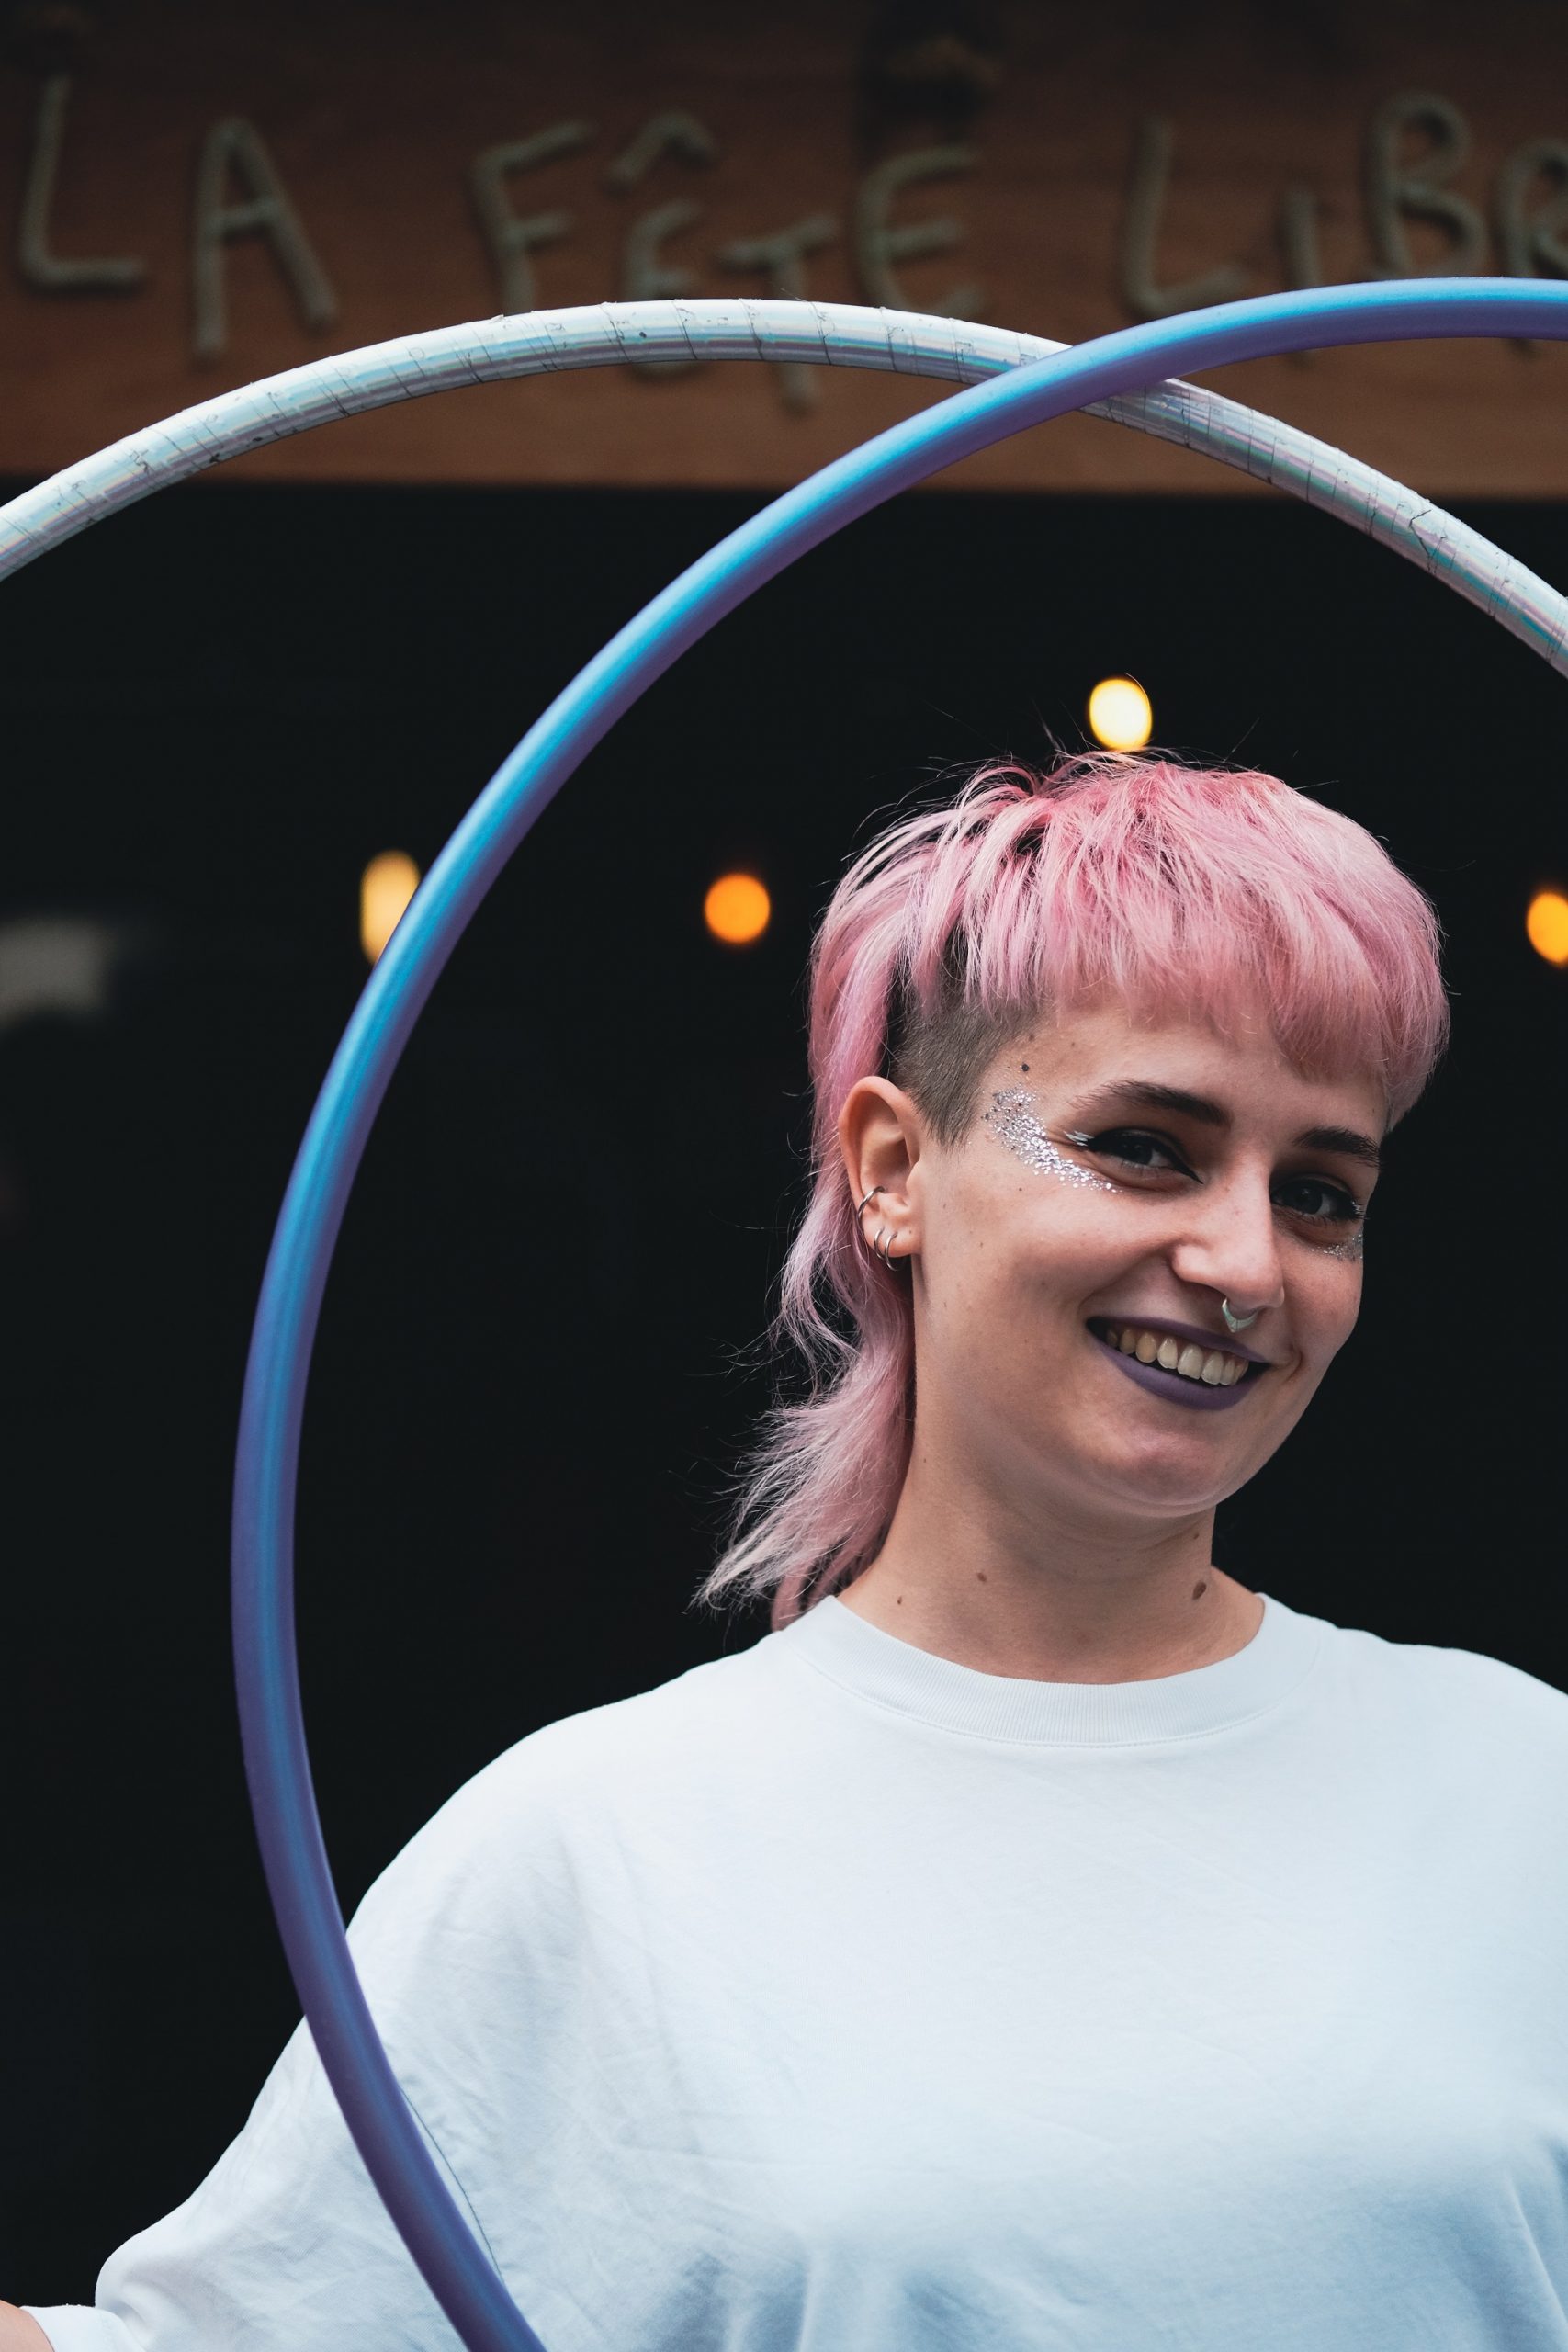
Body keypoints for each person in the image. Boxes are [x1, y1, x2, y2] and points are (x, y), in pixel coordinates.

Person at [11, 749, 1568, 2351]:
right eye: (1146, 1147)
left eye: (1320, 1193)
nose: (1247, 1262)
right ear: (893, 1169)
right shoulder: (606, 1848)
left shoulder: (1528, 1790)